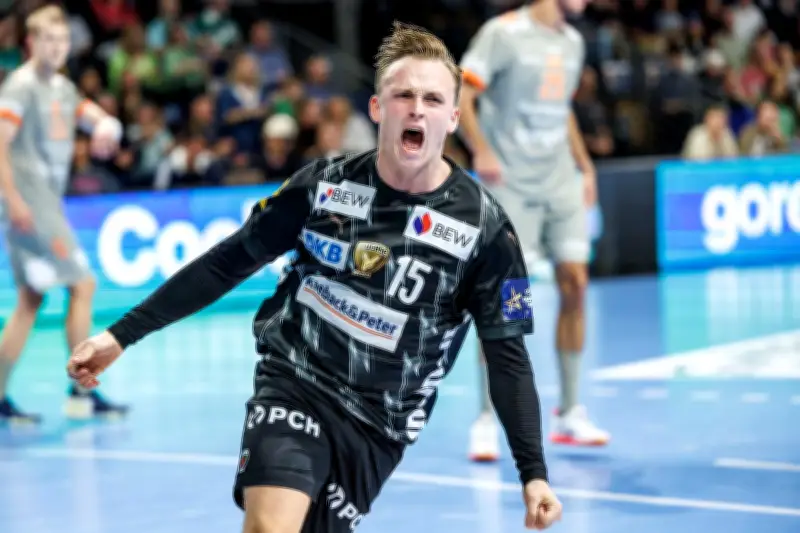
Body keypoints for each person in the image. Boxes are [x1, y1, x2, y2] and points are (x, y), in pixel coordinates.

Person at [68, 21, 563, 533]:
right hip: (296, 379)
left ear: (453, 117)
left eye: (433, 99)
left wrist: (534, 473)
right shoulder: (324, 186)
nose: (417, 108)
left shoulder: (488, 231)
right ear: (377, 108)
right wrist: (121, 335)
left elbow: (508, 356)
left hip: (380, 424)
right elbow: (225, 263)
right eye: (404, 95)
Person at [458, 0, 610, 461]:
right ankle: (487, 418)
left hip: (560, 178)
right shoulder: (503, 33)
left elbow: (562, 110)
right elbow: (463, 97)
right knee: (509, 300)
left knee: (576, 283)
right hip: (511, 182)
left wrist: (585, 166)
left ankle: (570, 411)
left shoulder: (573, 42)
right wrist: (481, 149)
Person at [0, 5, 128, 423]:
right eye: (48, 40)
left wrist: (107, 125)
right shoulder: (20, 87)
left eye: (62, 40)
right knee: (83, 284)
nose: (56, 47)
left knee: (30, 300)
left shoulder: (61, 86)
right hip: (29, 203)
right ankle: (81, 389)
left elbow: (89, 114)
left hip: (45, 203)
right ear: (30, 43)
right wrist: (13, 200)